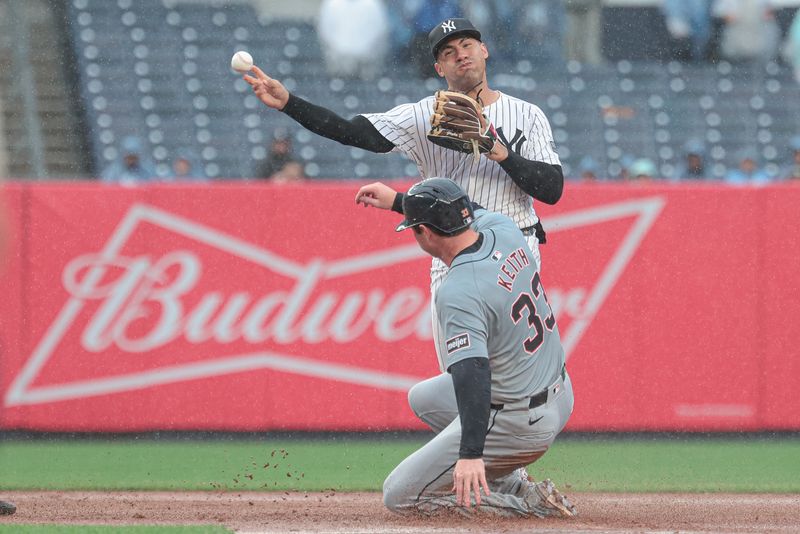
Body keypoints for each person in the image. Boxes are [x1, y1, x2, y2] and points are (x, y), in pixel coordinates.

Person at [244, 17, 563, 377]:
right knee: (464, 384)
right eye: (449, 52)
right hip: (452, 257)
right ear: (438, 67)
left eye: (467, 45)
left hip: (515, 252)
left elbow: (551, 190)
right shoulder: (424, 116)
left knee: (524, 383)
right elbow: (352, 132)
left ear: (484, 50)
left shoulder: (527, 115)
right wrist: (290, 103)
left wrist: (500, 151)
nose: (461, 55)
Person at [355, 177, 575, 517]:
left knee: (398, 495)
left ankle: (528, 505)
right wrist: (400, 201)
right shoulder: (503, 228)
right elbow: (471, 210)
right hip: (560, 395)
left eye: (414, 227)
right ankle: (512, 481)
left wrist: (471, 454)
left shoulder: (459, 290)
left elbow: (473, 374)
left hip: (518, 421)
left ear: (425, 233)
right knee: (423, 398)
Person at [316, 0, 390, 80]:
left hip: (366, 61)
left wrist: (369, 53)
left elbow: (380, 31)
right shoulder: (332, 4)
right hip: (339, 61)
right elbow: (325, 32)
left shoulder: (372, 4)